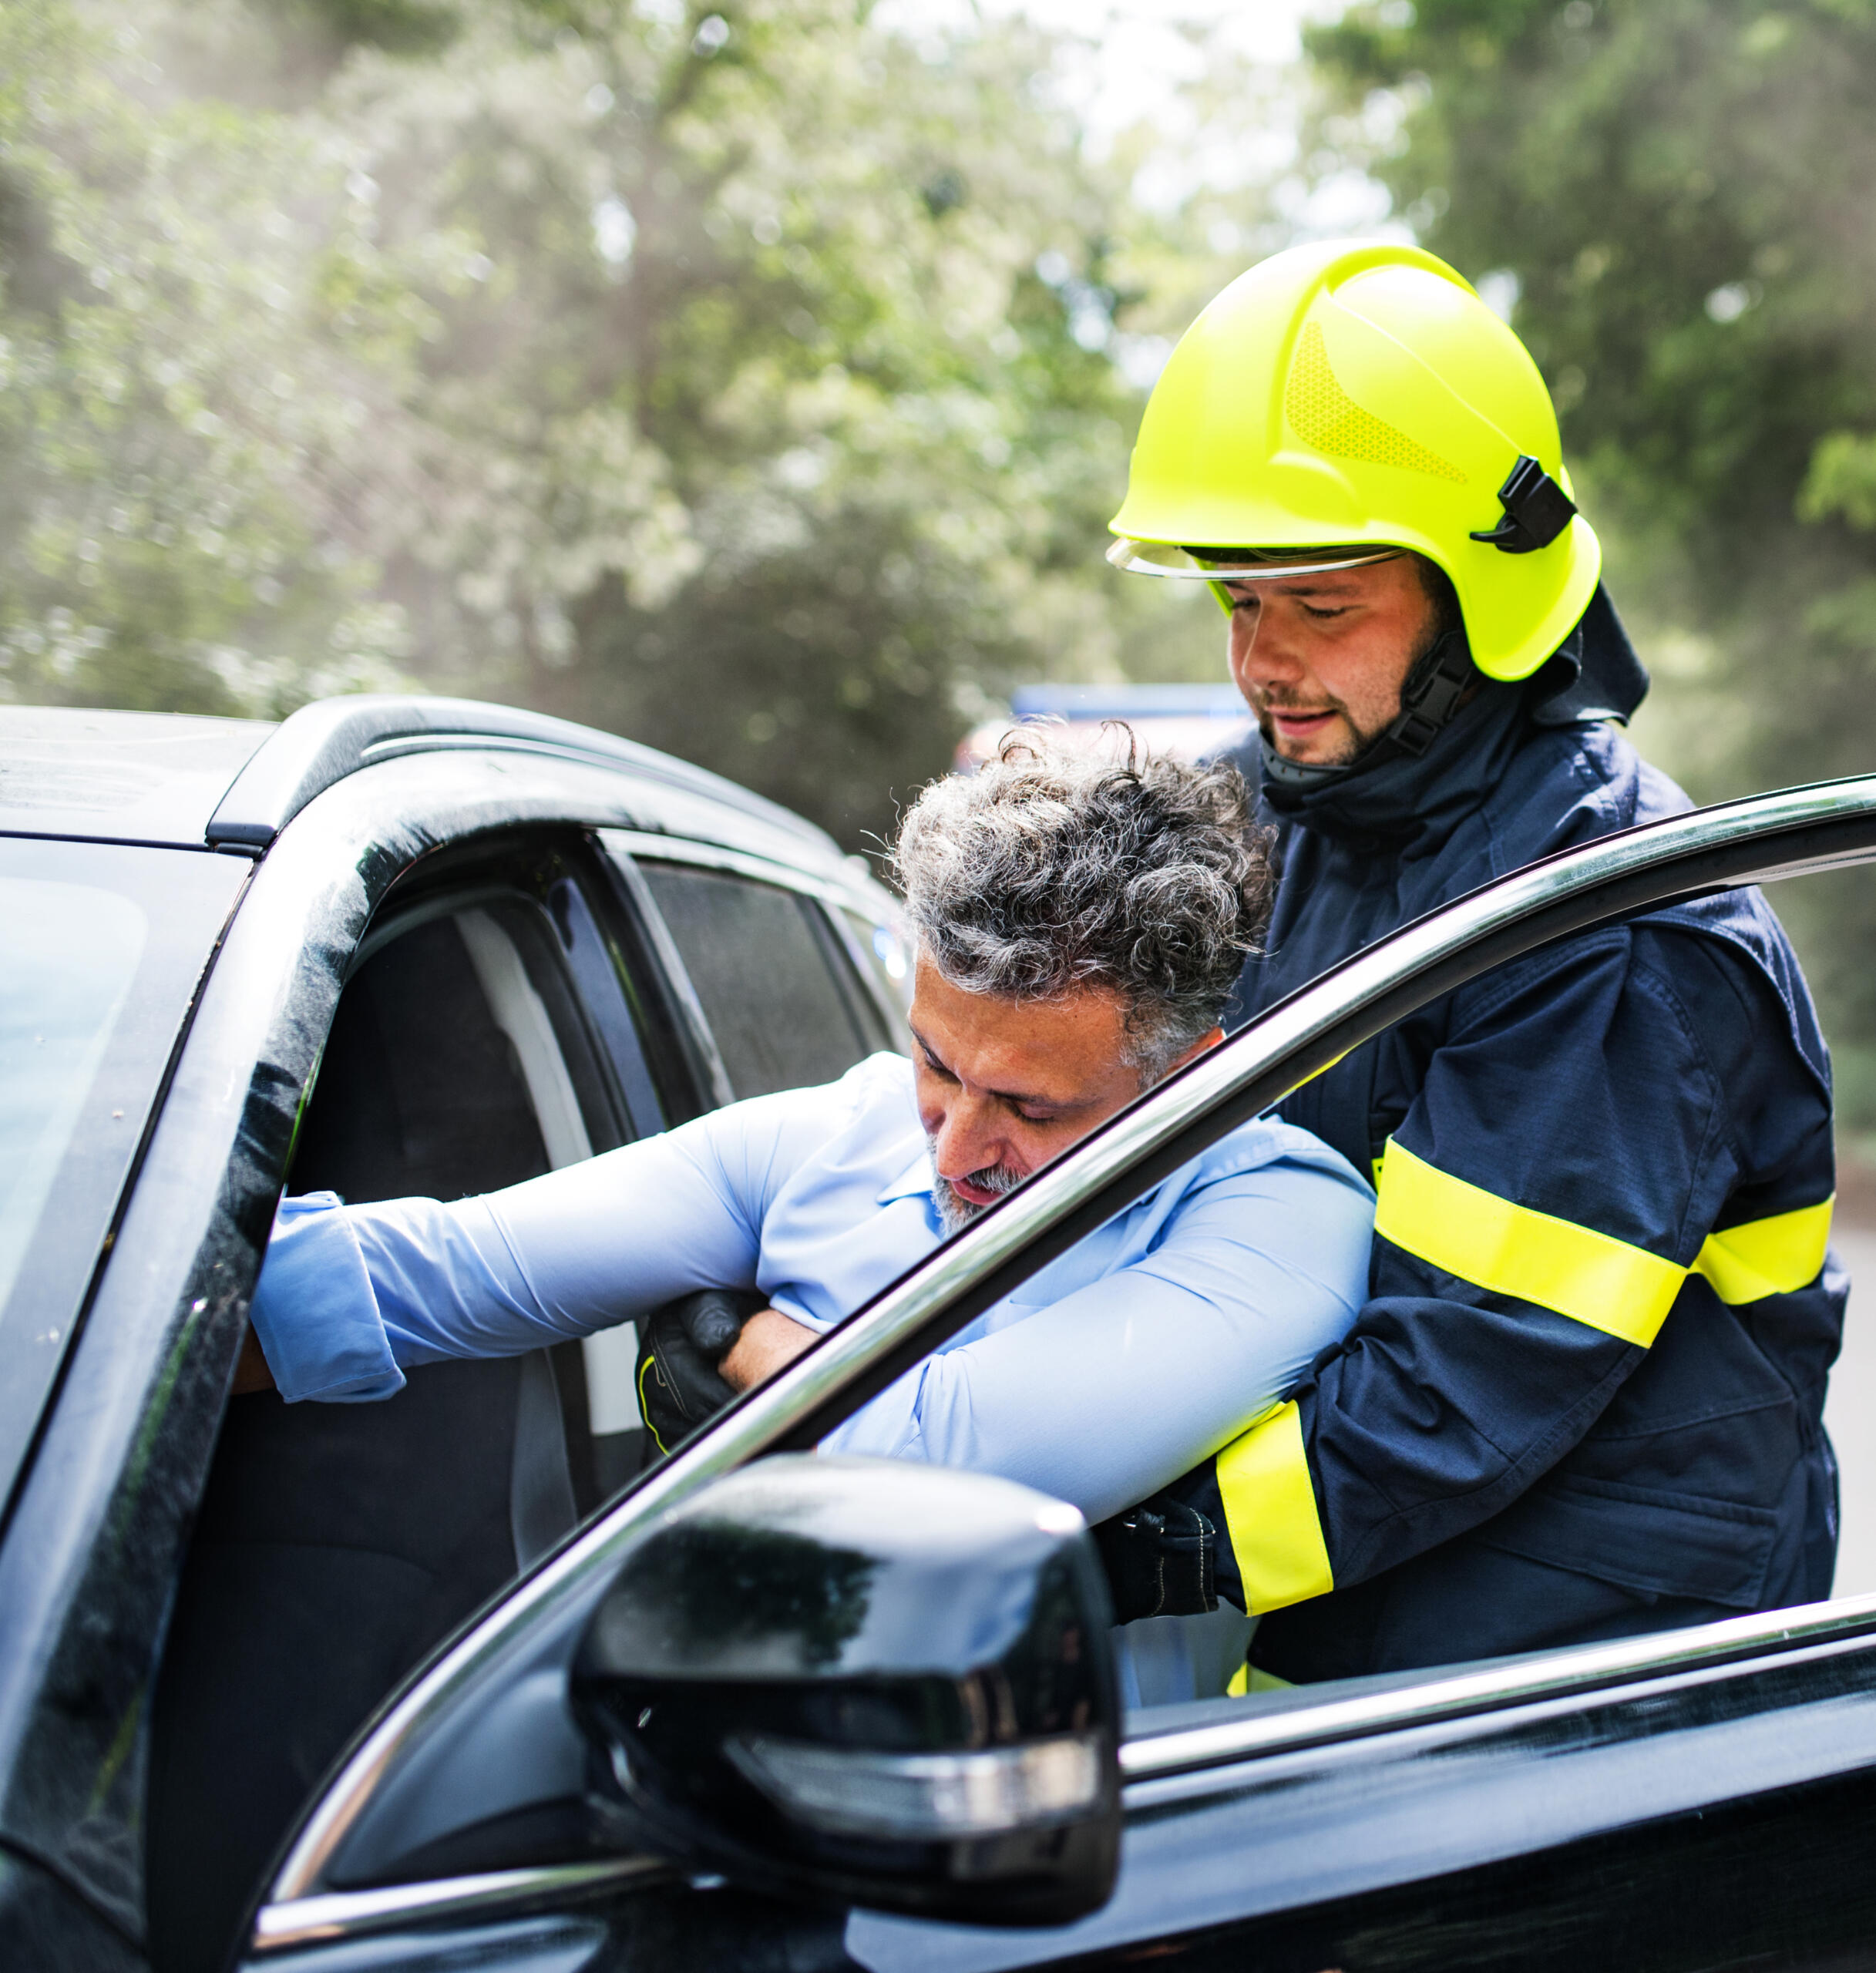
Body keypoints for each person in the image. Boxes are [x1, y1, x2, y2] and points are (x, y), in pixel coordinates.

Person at [1102, 237, 1844, 1683]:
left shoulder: (1610, 926)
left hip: (1596, 1646)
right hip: (1381, 1588)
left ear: (1476, 601)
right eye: (1239, 602)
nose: (1261, 662)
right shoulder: (1274, 814)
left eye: (1321, 606)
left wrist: (1114, 1546)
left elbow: (1463, 1379)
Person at [244, 735, 1374, 1546]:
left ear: (1189, 1073)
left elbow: (943, 1475)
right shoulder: (832, 1136)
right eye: (936, 1066)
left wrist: (742, 1343)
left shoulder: (1284, 1211)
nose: (953, 1150)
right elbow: (423, 1275)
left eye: (1030, 1110)